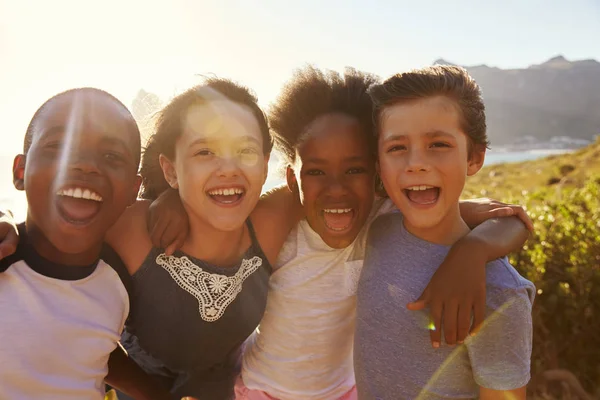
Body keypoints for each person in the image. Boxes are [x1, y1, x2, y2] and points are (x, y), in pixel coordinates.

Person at [144, 66, 533, 400]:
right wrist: (170, 198)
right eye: (316, 172)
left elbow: (511, 219)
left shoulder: (380, 217)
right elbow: (218, 211)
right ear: (293, 178)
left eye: (354, 169)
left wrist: (473, 252)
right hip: (261, 388)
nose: (336, 189)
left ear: (375, 174)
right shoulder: (280, 225)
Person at [354, 65, 535, 399]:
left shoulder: (500, 293)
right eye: (397, 147)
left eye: (438, 144)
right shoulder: (379, 227)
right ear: (379, 164)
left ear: (474, 157)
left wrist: (472, 253)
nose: (416, 163)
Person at [0, 88, 170, 400]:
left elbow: (91, 344)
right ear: (21, 171)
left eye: (111, 156)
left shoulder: (122, 278)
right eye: (59, 146)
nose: (85, 165)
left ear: (134, 190)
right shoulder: (3, 256)